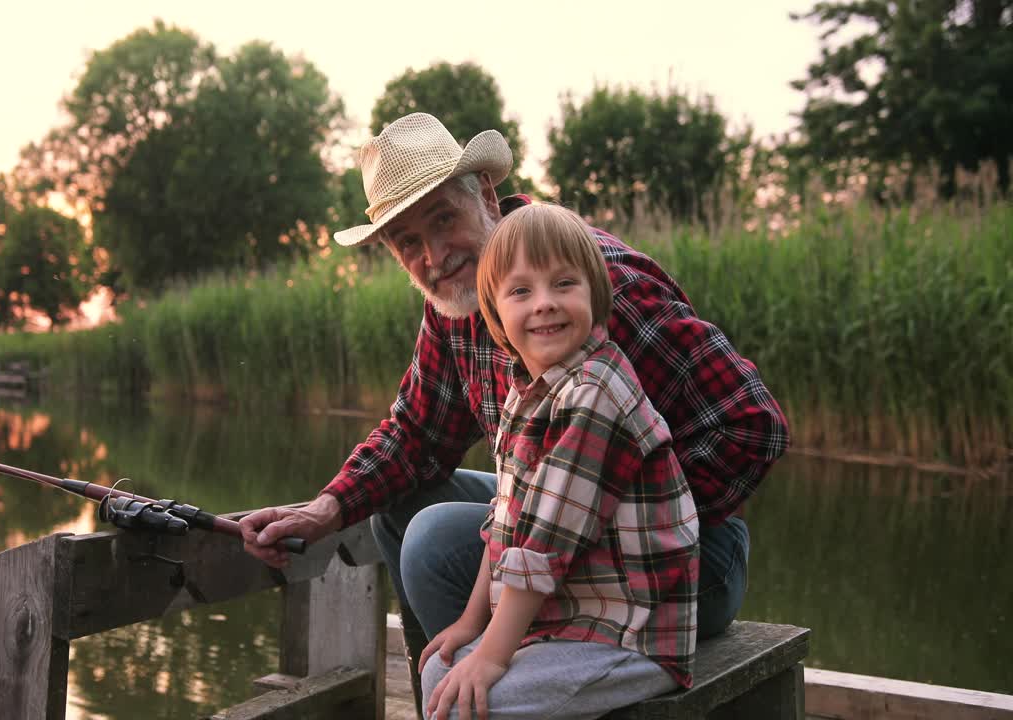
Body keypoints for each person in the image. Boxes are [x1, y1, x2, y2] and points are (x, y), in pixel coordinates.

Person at [240, 112, 789, 714]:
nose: (435, 255)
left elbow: (752, 424)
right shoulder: (461, 305)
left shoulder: (589, 292)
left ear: (486, 195)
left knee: (432, 538)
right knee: (397, 506)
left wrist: (606, 526)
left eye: (443, 219)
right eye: (408, 243)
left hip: (682, 567)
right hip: (558, 533)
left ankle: (490, 684)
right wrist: (321, 512)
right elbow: (415, 435)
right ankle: (457, 689)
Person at [417, 202, 699, 720]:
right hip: (568, 621)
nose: (544, 304)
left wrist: (492, 654)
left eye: (564, 284)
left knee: (467, 700)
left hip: (630, 635)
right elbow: (505, 524)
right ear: (495, 313)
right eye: (521, 291)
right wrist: (470, 624)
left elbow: (541, 546)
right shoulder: (527, 394)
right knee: (442, 668)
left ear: (594, 294)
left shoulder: (596, 391)